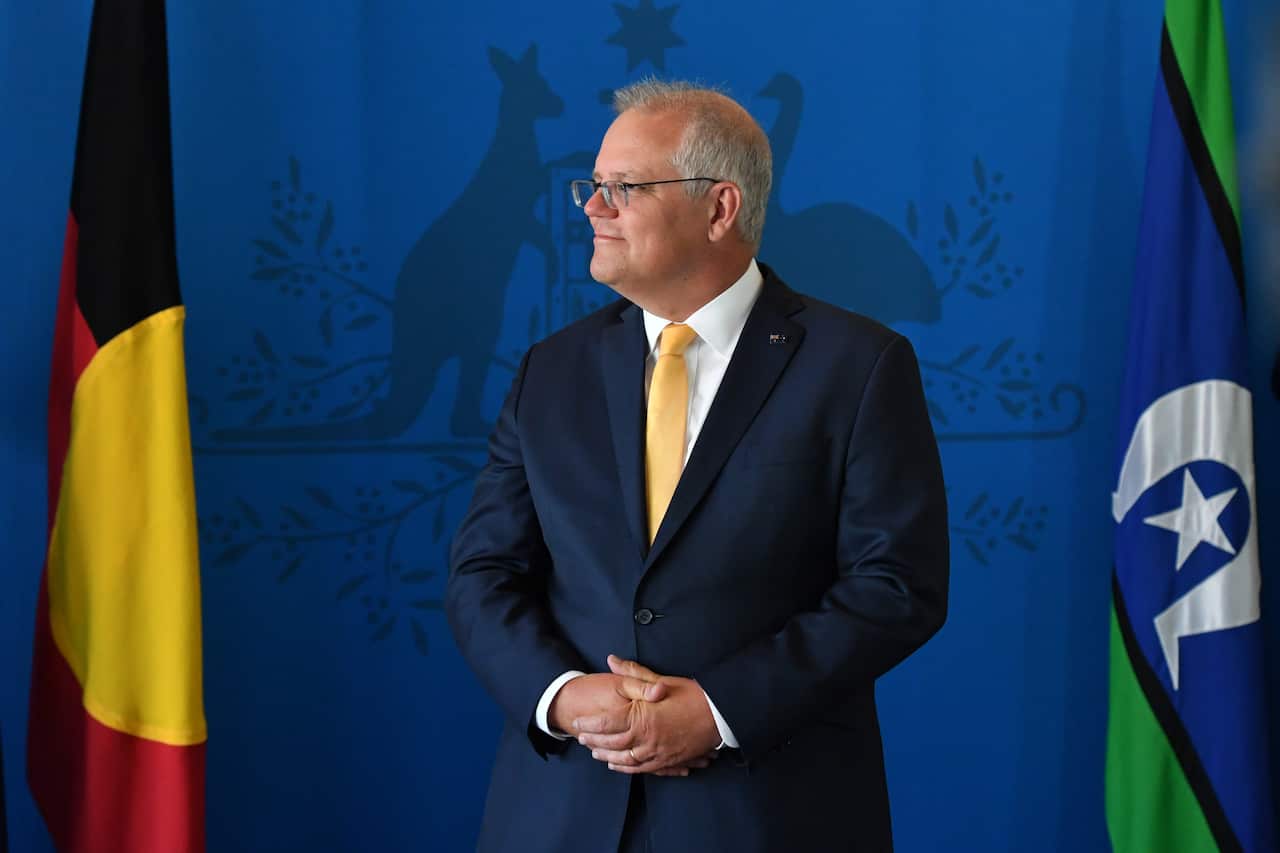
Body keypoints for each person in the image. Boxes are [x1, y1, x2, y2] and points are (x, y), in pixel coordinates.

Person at [446, 79, 949, 853]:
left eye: (624, 188)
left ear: (720, 209)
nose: (591, 207)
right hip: (561, 814)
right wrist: (564, 696)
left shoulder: (859, 365)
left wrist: (719, 709)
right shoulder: (551, 369)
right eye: (593, 185)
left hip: (769, 815)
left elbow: (897, 585)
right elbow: (483, 571)